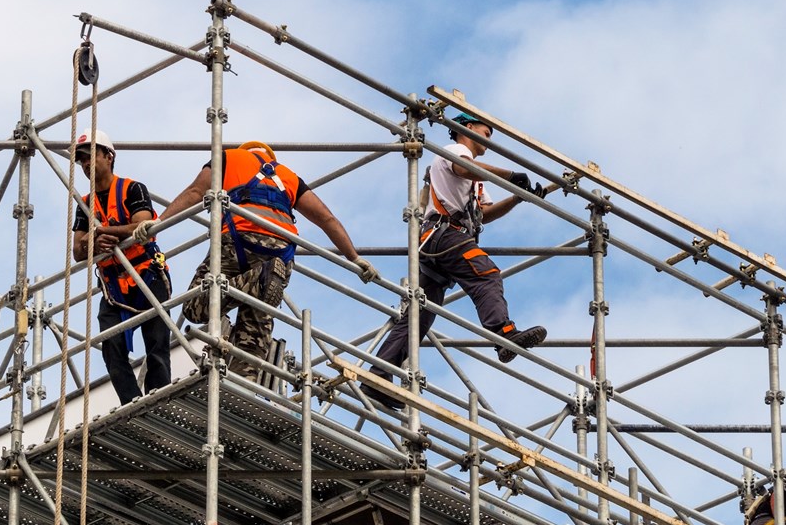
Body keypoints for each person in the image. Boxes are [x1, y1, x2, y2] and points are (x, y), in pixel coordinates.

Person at [140, 141, 379, 383]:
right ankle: (242, 386)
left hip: (239, 239)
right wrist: (355, 259)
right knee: (255, 328)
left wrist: (158, 224)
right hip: (282, 254)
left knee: (194, 307)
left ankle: (261, 279)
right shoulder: (289, 177)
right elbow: (326, 218)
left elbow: (195, 191)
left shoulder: (229, 158)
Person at [363, 113, 554, 409]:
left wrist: (518, 197)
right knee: (486, 274)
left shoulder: (477, 180)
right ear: (467, 129)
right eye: (485, 133)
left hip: (440, 240)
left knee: (420, 313)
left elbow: (485, 213)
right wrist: (511, 175)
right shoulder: (456, 152)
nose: (488, 141)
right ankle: (503, 333)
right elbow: (465, 169)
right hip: (444, 234)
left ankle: (378, 373)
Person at [71, 129, 173, 405]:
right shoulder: (85, 203)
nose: (85, 164)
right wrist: (95, 240)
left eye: (91, 156)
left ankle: (159, 402)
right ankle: (132, 403)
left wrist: (107, 231)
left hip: (146, 274)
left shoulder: (132, 189)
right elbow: (78, 252)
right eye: (81, 160)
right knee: (112, 347)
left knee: (156, 344)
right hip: (113, 285)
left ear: (109, 156)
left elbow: (144, 227)